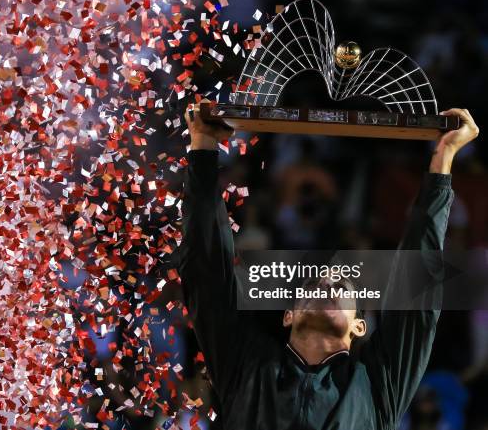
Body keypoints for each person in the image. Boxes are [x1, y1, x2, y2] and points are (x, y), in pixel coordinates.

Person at [177, 102, 479, 430]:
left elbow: (416, 305)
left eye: (339, 286)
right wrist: (203, 146)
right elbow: (206, 275)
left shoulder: (377, 387)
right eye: (320, 284)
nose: (328, 282)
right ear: (287, 314)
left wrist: (444, 157)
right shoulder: (246, 365)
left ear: (360, 327)